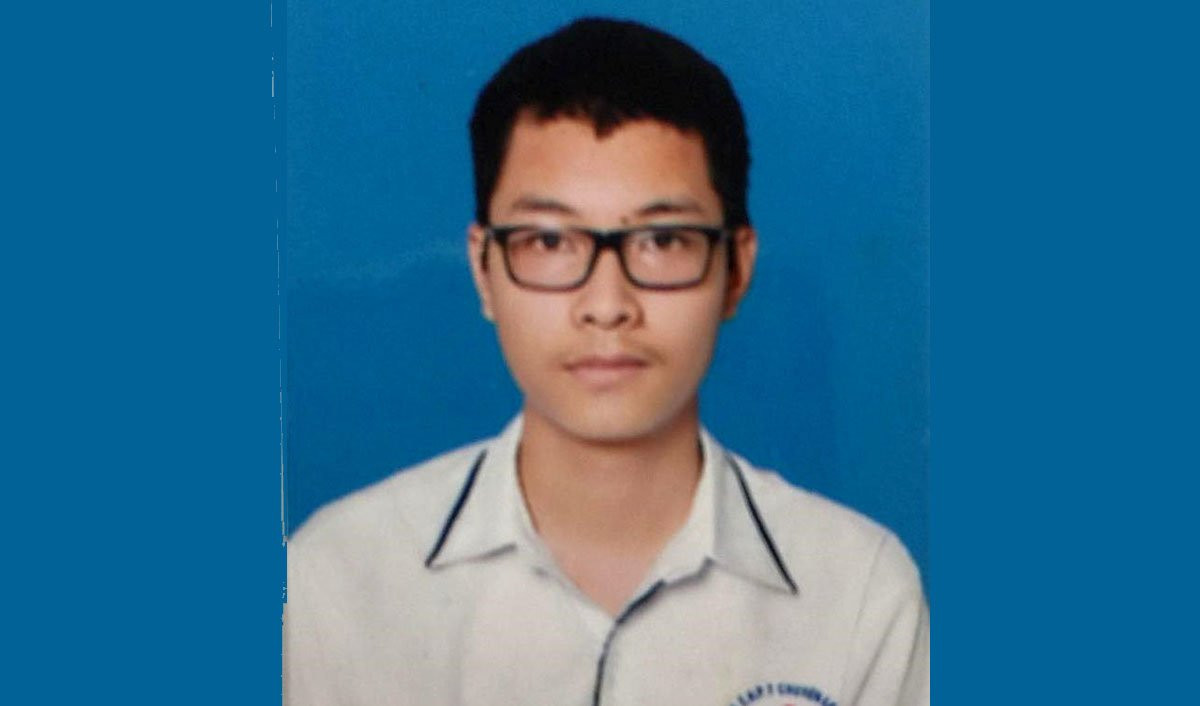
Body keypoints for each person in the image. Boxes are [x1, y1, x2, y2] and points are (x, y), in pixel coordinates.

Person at [285, 17, 928, 706]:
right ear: (483, 269)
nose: (607, 306)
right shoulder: (336, 580)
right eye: (549, 242)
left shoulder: (858, 593)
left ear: (737, 269)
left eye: (663, 241)